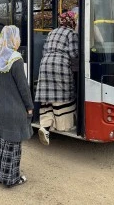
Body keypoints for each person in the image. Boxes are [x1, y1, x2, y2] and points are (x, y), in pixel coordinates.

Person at [0, 25, 34, 187]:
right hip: (13, 109)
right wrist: (29, 106)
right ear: (14, 38)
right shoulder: (15, 58)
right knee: (13, 145)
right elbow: (23, 87)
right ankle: (10, 178)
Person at [35, 11, 79, 146]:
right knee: (63, 97)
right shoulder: (71, 33)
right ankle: (63, 126)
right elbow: (74, 53)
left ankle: (45, 127)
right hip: (60, 66)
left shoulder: (51, 32)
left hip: (45, 64)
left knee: (47, 98)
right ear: (72, 22)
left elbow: (44, 51)